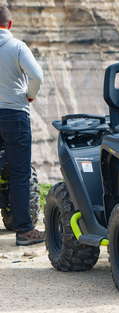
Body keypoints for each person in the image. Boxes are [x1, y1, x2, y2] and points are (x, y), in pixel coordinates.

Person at [0, 5, 45, 245]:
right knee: (19, 174)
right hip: (13, 114)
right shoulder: (17, 46)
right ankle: (24, 232)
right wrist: (29, 95)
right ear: (10, 23)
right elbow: (37, 76)